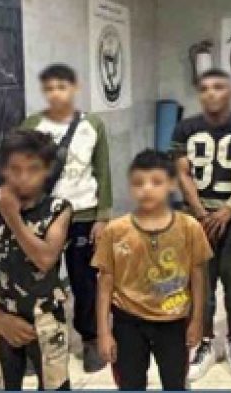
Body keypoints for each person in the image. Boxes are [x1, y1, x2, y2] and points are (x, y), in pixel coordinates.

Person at [171, 69, 231, 381]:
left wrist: (228, 209)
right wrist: (201, 213)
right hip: (196, 220)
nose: (211, 93)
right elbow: (182, 172)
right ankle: (206, 342)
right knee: (200, 283)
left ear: (230, 92)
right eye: (205, 88)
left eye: (218, 87)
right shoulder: (185, 127)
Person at [0, 130, 73, 390]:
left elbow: (45, 259)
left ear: (47, 170)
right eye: (15, 169)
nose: (23, 178)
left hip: (45, 320)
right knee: (1, 385)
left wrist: (12, 217)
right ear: (3, 170)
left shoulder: (57, 210)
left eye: (33, 169)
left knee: (55, 385)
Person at [93, 150, 212, 390]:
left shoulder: (190, 228)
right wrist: (103, 332)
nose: (147, 189)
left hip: (173, 321)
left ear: (172, 184)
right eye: (139, 183)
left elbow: (198, 277)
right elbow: (105, 283)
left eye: (156, 182)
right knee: (130, 384)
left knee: (174, 383)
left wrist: (197, 321)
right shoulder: (115, 231)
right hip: (128, 322)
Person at [21, 63, 112, 373]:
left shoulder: (93, 125)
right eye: (49, 89)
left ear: (74, 89)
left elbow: (102, 171)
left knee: (84, 280)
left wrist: (103, 215)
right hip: (43, 214)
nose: (56, 94)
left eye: (62, 87)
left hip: (83, 213)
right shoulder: (32, 125)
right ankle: (37, 341)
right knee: (38, 279)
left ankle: (90, 339)